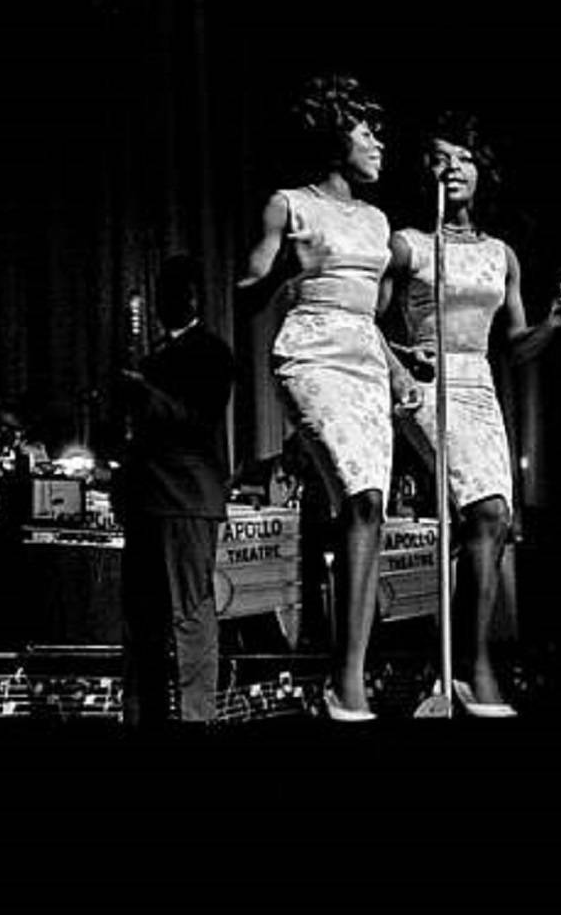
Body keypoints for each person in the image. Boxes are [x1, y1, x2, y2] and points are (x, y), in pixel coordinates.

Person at [378, 111, 561, 716]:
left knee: (492, 527)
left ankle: (448, 666)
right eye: (441, 159)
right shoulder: (409, 243)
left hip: (480, 385)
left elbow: (516, 347)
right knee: (483, 509)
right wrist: (399, 357)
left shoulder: (502, 254)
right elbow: (367, 319)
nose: (454, 168)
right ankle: (475, 664)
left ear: (479, 172)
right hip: (426, 382)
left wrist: (554, 323)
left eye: (464, 159)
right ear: (427, 175)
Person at [238, 74, 419, 721]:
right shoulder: (288, 205)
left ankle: (348, 680)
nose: (378, 144)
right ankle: (342, 676)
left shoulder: (377, 220)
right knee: (360, 494)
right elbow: (250, 288)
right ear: (333, 135)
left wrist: (401, 364)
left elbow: (374, 317)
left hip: (365, 360)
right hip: (310, 354)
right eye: (366, 131)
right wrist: (282, 270)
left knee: (366, 509)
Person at [118, 253, 235, 728]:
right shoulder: (152, 359)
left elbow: (196, 421)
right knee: (142, 622)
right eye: (161, 293)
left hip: (187, 497)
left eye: (174, 293)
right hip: (147, 500)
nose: (166, 302)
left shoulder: (212, 353)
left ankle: (195, 717)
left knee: (189, 613)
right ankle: (146, 715)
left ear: (190, 298)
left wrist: (145, 393)